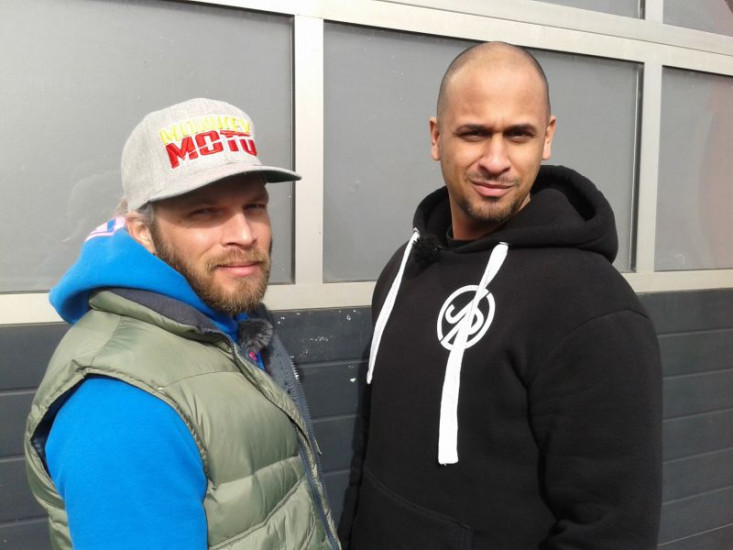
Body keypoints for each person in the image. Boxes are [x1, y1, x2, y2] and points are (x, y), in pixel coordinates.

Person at [339, 42, 662, 549]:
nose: (495, 160)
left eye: (518, 134)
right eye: (474, 133)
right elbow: (373, 446)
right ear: (436, 137)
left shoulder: (593, 307)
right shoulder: (404, 268)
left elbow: (611, 531)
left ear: (547, 137)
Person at [25, 98, 340, 550]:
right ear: (143, 233)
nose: (245, 234)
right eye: (204, 213)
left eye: (254, 206)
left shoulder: (226, 320)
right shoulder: (123, 403)